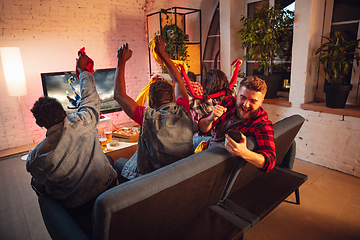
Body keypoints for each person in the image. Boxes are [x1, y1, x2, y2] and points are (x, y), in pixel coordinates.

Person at [26, 51, 118, 213]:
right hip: (107, 185)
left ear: (40, 124)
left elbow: (42, 179)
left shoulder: (35, 158)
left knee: (36, 183)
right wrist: (82, 71)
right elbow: (90, 97)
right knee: (108, 159)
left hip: (77, 204)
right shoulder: (83, 121)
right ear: (64, 113)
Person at [113, 36, 193, 181]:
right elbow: (178, 80)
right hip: (182, 174)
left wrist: (121, 61)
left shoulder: (148, 117)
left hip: (153, 180)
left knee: (119, 162)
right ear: (173, 98)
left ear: (150, 101)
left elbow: (119, 95)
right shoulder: (184, 110)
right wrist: (162, 53)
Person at [194, 76, 276, 172]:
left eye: (253, 101)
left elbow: (270, 162)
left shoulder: (262, 124)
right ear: (237, 94)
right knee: (186, 141)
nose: (246, 104)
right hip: (209, 141)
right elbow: (202, 129)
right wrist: (211, 118)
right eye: (243, 98)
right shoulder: (229, 102)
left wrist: (244, 153)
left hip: (213, 157)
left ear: (261, 102)